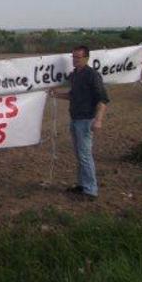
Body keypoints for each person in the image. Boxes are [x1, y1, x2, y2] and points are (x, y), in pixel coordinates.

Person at [50, 45, 109, 200]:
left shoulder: (92, 75)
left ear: (86, 58)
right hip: (75, 119)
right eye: (73, 57)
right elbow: (72, 95)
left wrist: (99, 120)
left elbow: (103, 99)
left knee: (85, 155)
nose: (75, 60)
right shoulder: (75, 75)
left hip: (86, 121)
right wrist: (57, 95)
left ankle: (91, 191)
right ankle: (82, 185)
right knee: (79, 155)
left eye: (78, 57)